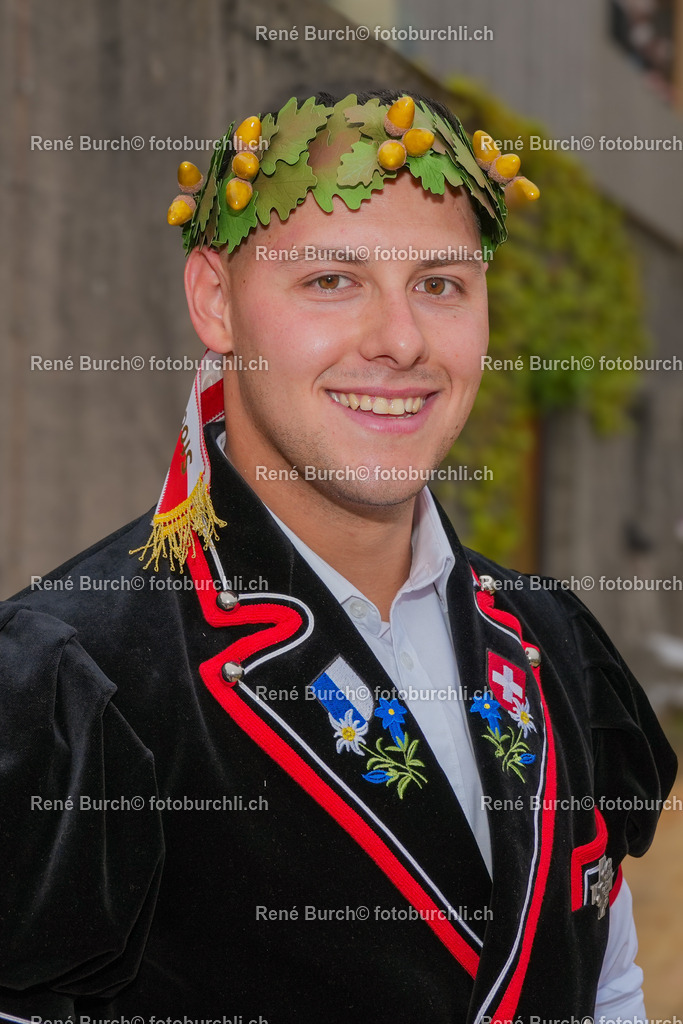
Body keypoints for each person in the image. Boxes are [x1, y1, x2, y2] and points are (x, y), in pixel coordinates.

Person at [0, 88, 676, 1024]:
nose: (399, 341)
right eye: (330, 280)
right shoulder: (78, 680)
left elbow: (608, 982)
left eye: (440, 284)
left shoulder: (552, 637)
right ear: (215, 301)